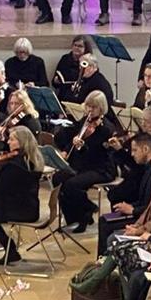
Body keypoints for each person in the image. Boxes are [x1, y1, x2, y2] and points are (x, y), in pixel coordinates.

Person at [0, 125, 43, 264]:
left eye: (12, 139)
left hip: (20, 210)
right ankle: (10, 250)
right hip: (27, 206)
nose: (8, 142)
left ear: (21, 142)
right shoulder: (30, 160)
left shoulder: (16, 166)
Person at [52, 91, 116, 231]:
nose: (90, 110)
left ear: (101, 108)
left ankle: (86, 212)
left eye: (94, 107)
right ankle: (73, 216)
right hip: (83, 165)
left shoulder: (106, 128)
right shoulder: (85, 121)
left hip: (101, 168)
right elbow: (75, 138)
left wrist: (83, 146)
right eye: (88, 106)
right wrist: (67, 149)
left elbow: (100, 154)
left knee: (71, 185)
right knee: (58, 178)